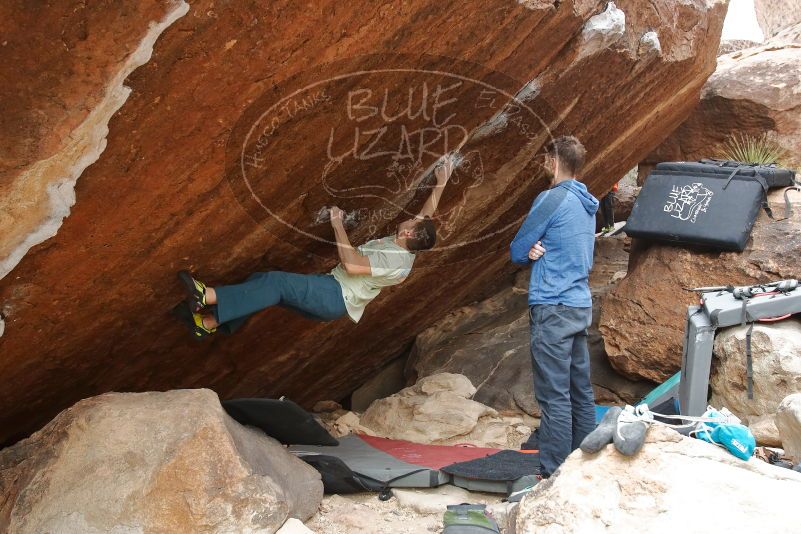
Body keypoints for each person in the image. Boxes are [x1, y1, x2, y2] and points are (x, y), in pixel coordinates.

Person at [172, 156, 454, 340]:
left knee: (275, 282)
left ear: (408, 233)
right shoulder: (408, 244)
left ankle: (205, 295)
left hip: (334, 296)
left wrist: (337, 225)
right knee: (264, 284)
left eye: (414, 223)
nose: (413, 219)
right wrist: (441, 182)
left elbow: (352, 265)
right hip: (330, 292)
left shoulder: (396, 262)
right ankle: (207, 323)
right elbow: (426, 216)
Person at [509, 135, 599, 480]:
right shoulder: (586, 202)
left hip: (553, 305)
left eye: (546, 158)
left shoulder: (551, 198)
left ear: (554, 161)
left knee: (554, 397)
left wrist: (529, 249)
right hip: (579, 304)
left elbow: (517, 249)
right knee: (581, 391)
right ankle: (584, 469)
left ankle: (553, 475)